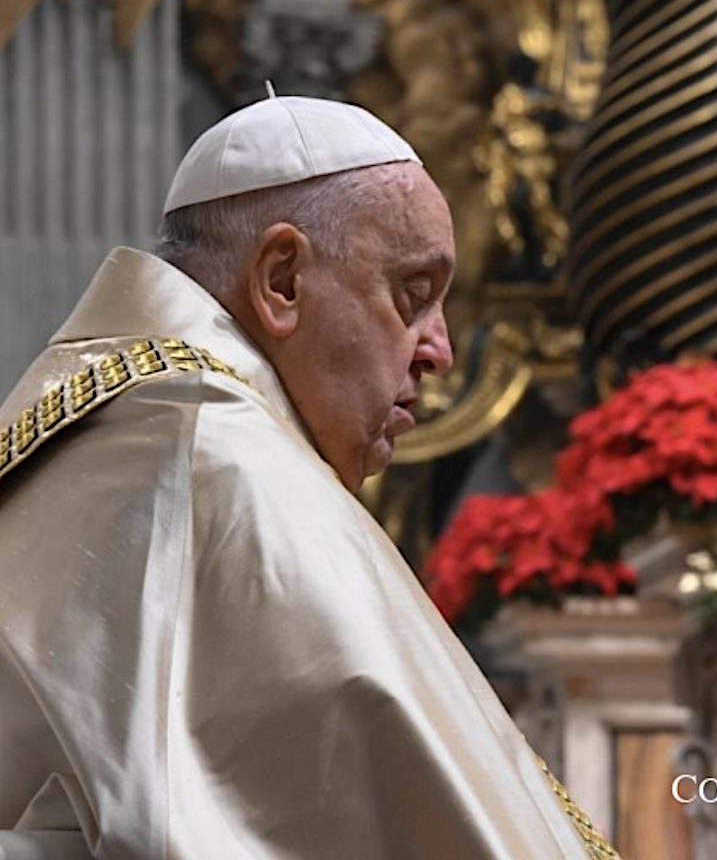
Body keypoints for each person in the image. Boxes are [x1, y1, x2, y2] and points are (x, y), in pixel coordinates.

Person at [0, 91, 616, 859]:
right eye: (412, 296)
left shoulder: (123, 410)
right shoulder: (216, 448)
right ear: (282, 281)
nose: (440, 351)